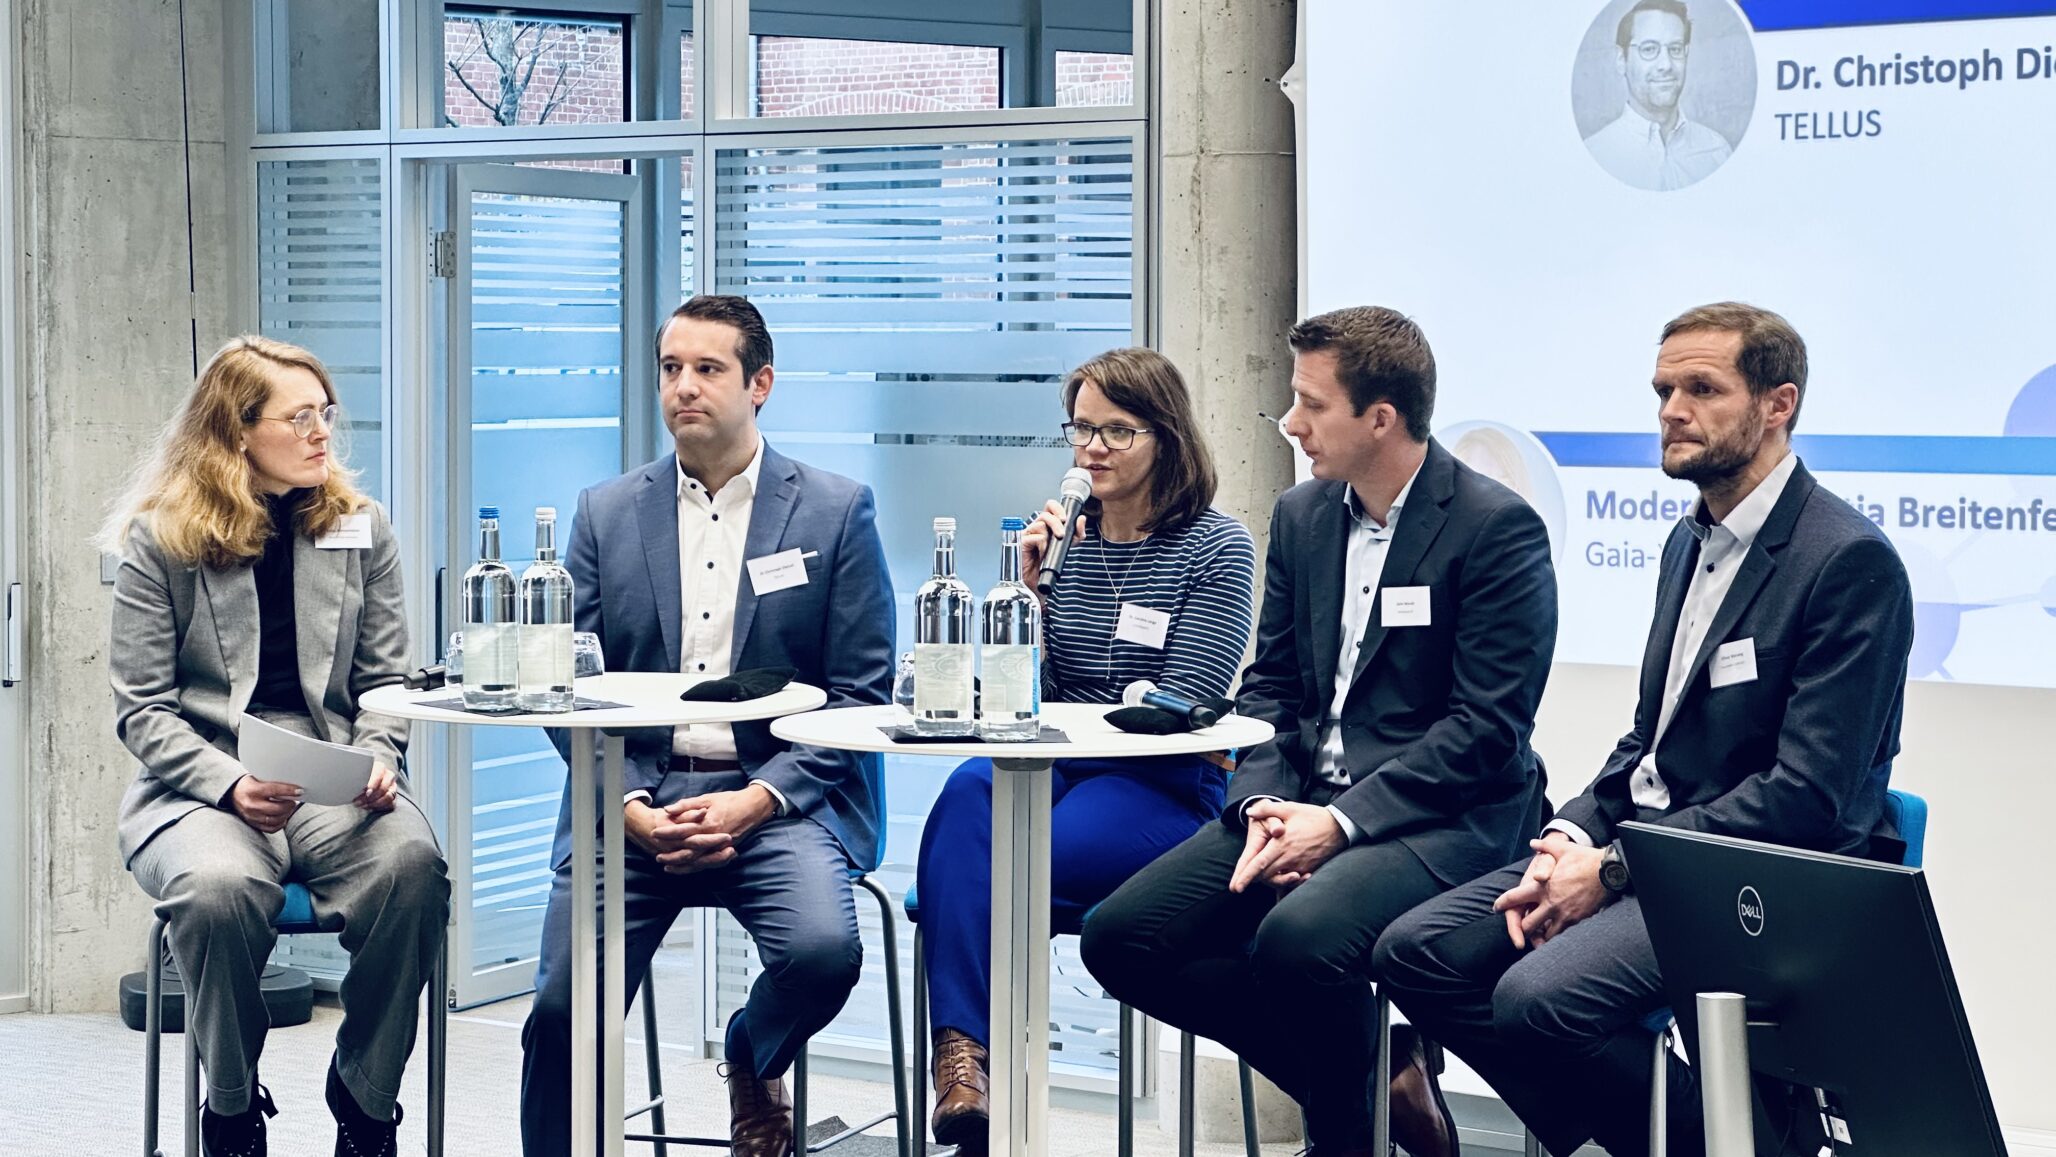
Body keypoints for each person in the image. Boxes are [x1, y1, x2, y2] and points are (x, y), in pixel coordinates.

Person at [1373, 302, 1916, 1157]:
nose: (1670, 408)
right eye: (1664, 388)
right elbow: (1649, 745)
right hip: (1652, 847)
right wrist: (1567, 835)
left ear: (1779, 404)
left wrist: (1617, 867)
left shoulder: (1847, 561)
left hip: (1762, 873)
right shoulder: (1684, 540)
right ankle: (1653, 1137)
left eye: (1701, 387)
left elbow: (1808, 797)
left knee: (1535, 999)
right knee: (1418, 948)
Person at [1082, 307, 1559, 1157]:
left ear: (1381, 418)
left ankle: (1347, 1137)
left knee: (1298, 941)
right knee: (1121, 939)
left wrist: (1337, 823)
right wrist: (1265, 800)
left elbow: (1485, 731)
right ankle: (1380, 1072)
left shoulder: (1495, 529)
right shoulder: (1303, 516)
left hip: (1448, 818)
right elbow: (1269, 687)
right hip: (1299, 796)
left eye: (1311, 405)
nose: (1290, 424)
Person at [517, 294, 896, 1157]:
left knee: (823, 953)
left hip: (779, 797)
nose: (683, 387)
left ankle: (749, 1052)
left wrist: (758, 800)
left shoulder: (836, 511)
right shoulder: (605, 512)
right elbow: (561, 684)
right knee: (560, 1008)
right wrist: (628, 804)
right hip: (632, 800)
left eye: (708, 369)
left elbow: (859, 692)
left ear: (760, 383)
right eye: (671, 369)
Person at [108, 336, 447, 1157]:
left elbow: (387, 680)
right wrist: (229, 785)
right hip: (201, 781)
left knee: (413, 866)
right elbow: (142, 710)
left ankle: (365, 1097)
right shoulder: (161, 541)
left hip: (333, 773)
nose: (323, 433)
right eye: (300, 418)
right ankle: (230, 1101)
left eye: (325, 414)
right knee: (217, 888)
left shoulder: (361, 527)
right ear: (235, 432)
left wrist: (379, 757)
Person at [915, 348, 1257, 1153]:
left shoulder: (1216, 546)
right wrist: (1029, 596)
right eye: (1081, 428)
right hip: (1064, 760)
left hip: (1164, 785)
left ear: (1166, 436)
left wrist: (1106, 708)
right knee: (970, 787)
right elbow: (1034, 692)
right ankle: (961, 1065)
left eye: (1115, 430)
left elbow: (1190, 698)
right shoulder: (1067, 542)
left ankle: (975, 1089)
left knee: (973, 886)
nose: (1091, 448)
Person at [1582, 0, 1734, 191]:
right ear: (1622, 59)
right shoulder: (1595, 155)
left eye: (1675, 49)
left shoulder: (1718, 152)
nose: (1666, 65)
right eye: (1649, 49)